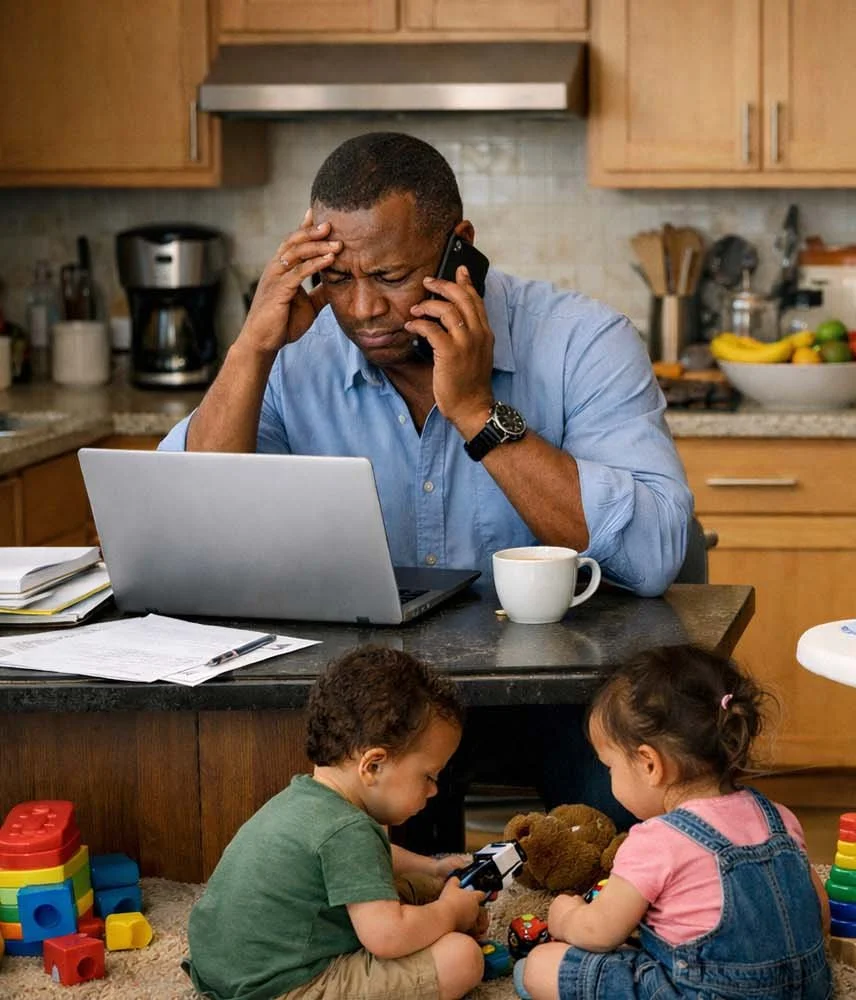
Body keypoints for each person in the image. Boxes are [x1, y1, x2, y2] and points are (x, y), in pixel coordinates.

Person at [160, 131, 694, 834]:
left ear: (458, 247)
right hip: (375, 704)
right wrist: (252, 347)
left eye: (388, 277)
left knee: (625, 839)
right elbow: (194, 521)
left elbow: (656, 552)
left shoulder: (582, 341)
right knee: (353, 861)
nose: (361, 310)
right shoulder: (293, 355)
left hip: (571, 692)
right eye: (338, 278)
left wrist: (477, 415)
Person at [515, 645, 832, 1000]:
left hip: (702, 993)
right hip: (808, 989)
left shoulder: (655, 840)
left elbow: (599, 931)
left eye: (610, 766)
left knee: (539, 966)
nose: (609, 777)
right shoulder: (779, 818)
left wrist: (566, 916)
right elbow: (818, 915)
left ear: (650, 764)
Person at [185, 645, 489, 1000]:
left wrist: (433, 868)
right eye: (429, 776)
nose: (434, 790)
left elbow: (364, 860)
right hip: (279, 987)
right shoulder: (347, 830)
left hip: (224, 968)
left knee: (418, 886)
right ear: (372, 765)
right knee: (460, 958)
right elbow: (387, 937)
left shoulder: (305, 800)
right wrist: (449, 913)